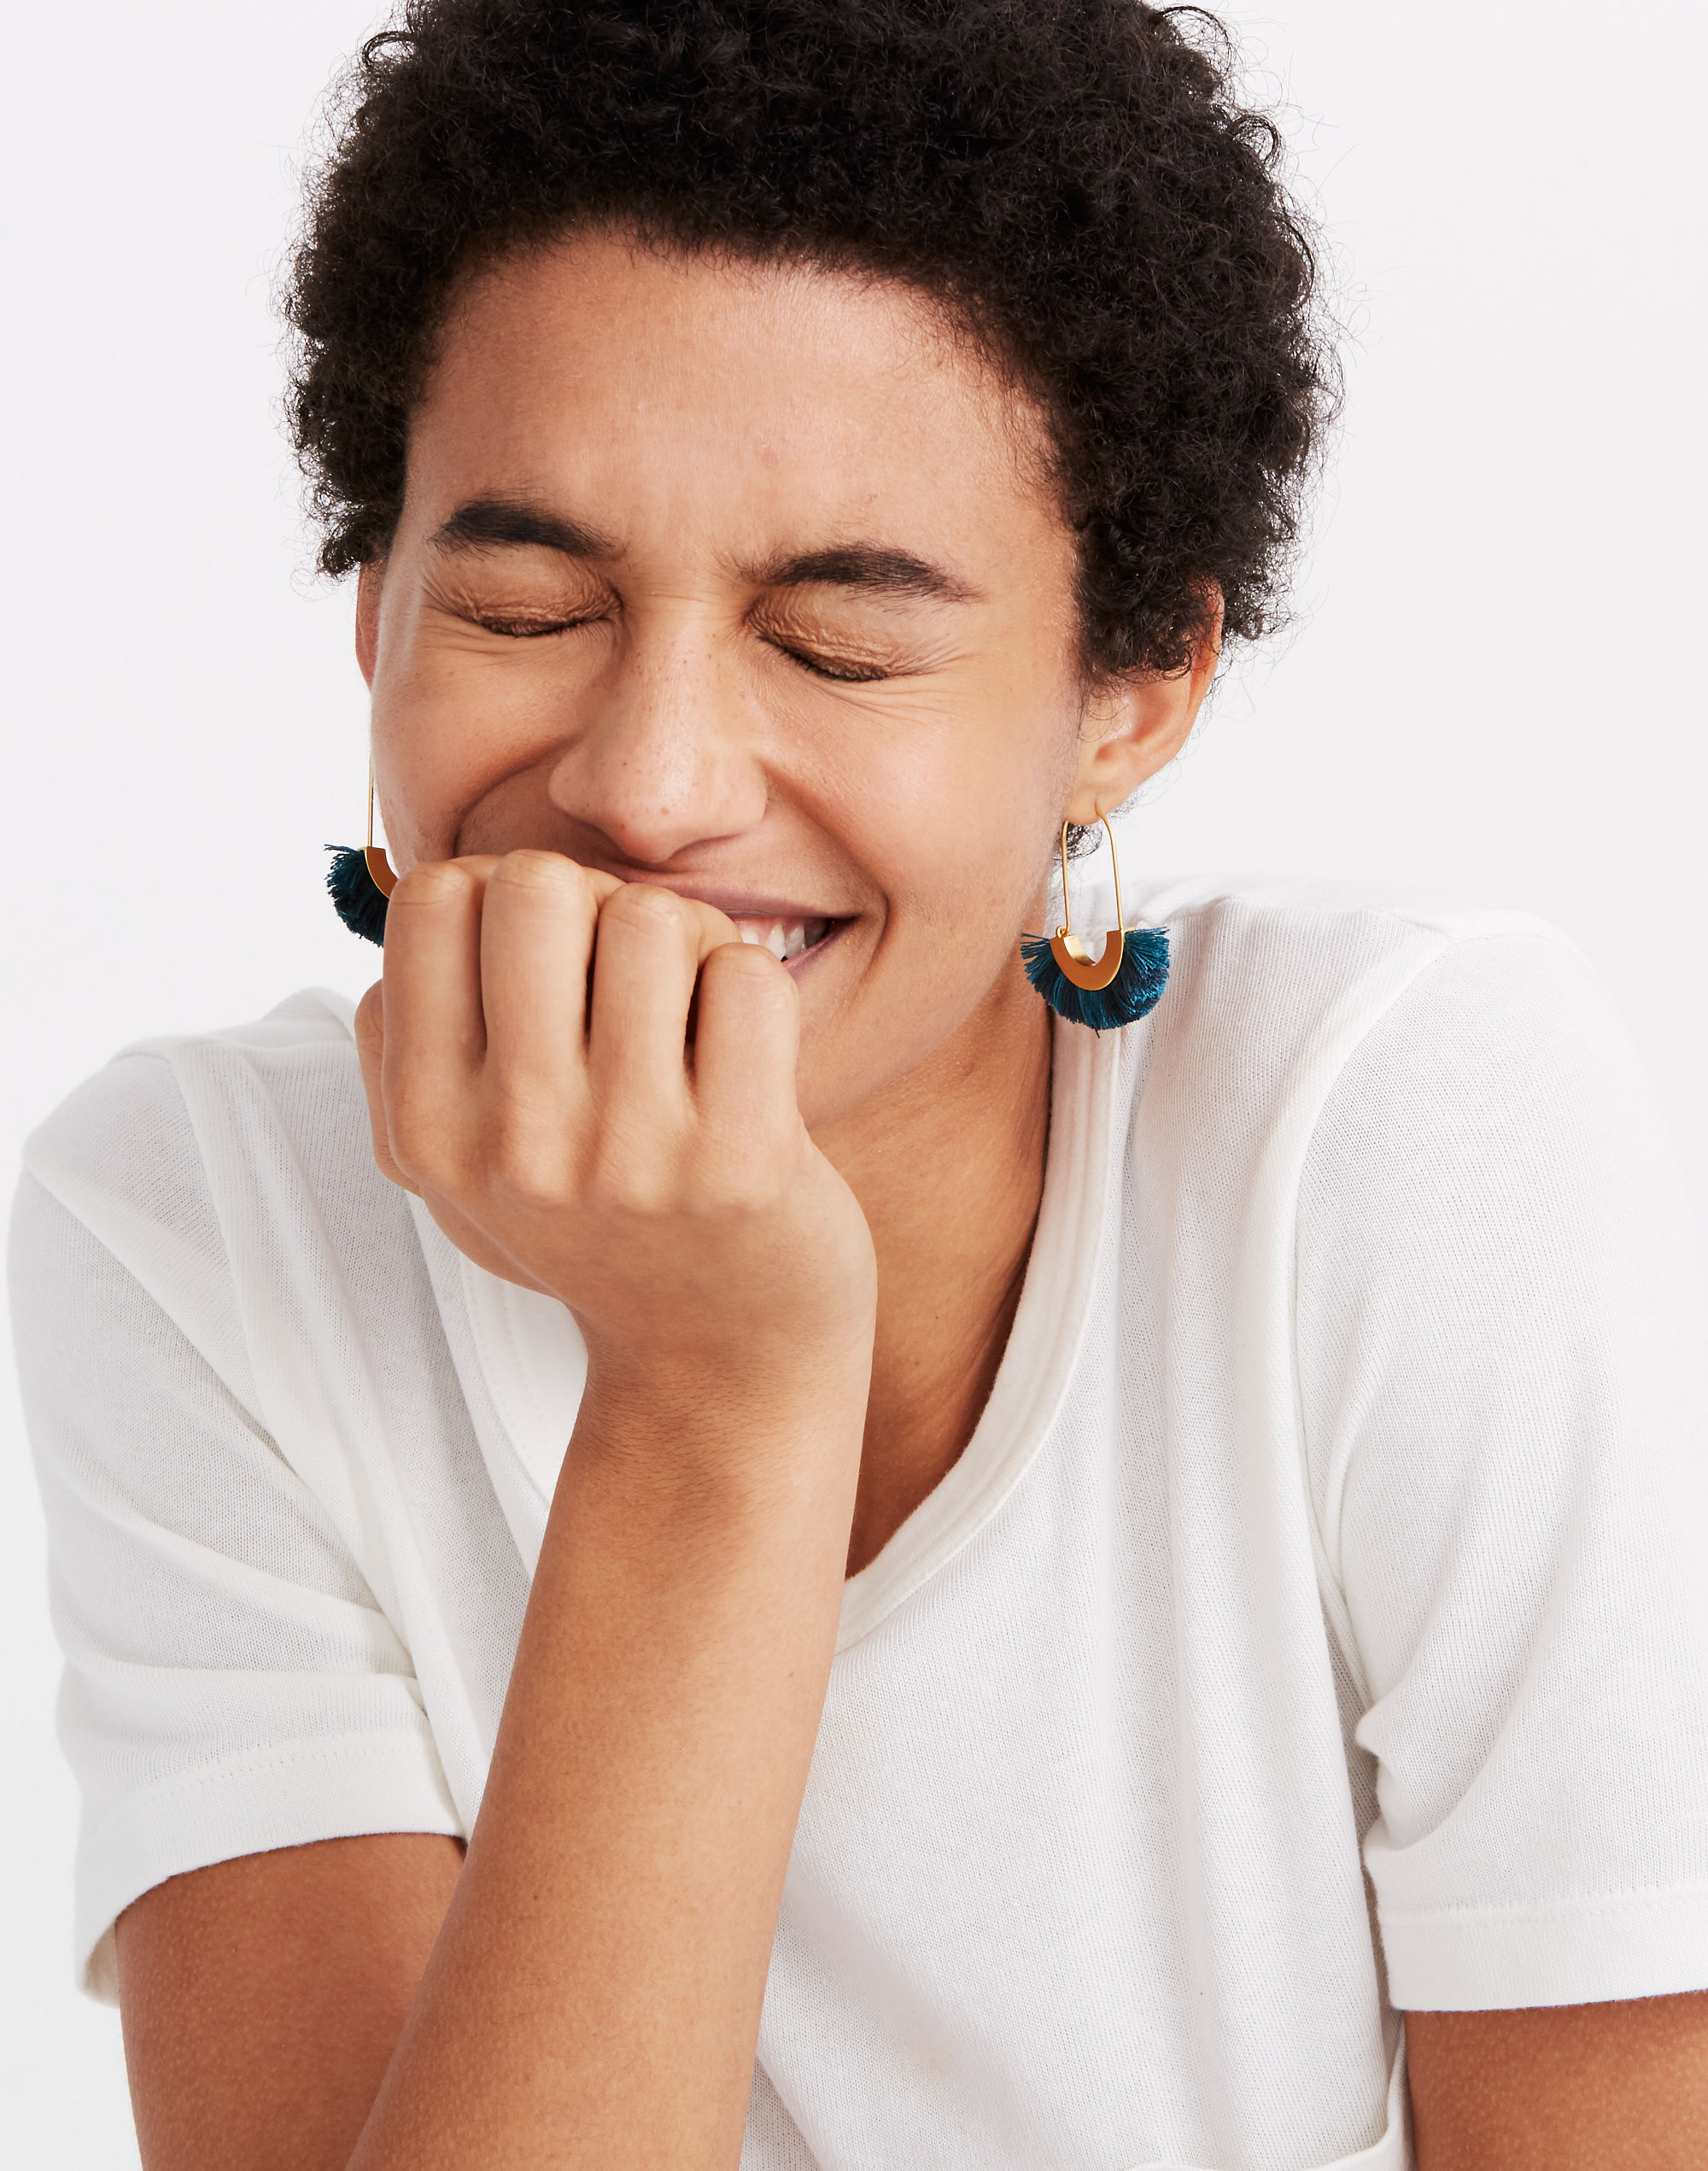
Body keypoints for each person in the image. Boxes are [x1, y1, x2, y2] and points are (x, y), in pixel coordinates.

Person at [12, 3, 1708, 2166]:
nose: (646, 785)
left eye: (840, 642)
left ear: (1130, 690)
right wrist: (711, 1395)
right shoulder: (197, 1213)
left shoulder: (1395, 1129)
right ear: (375, 618)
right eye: (526, 602)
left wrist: (720, 1355)